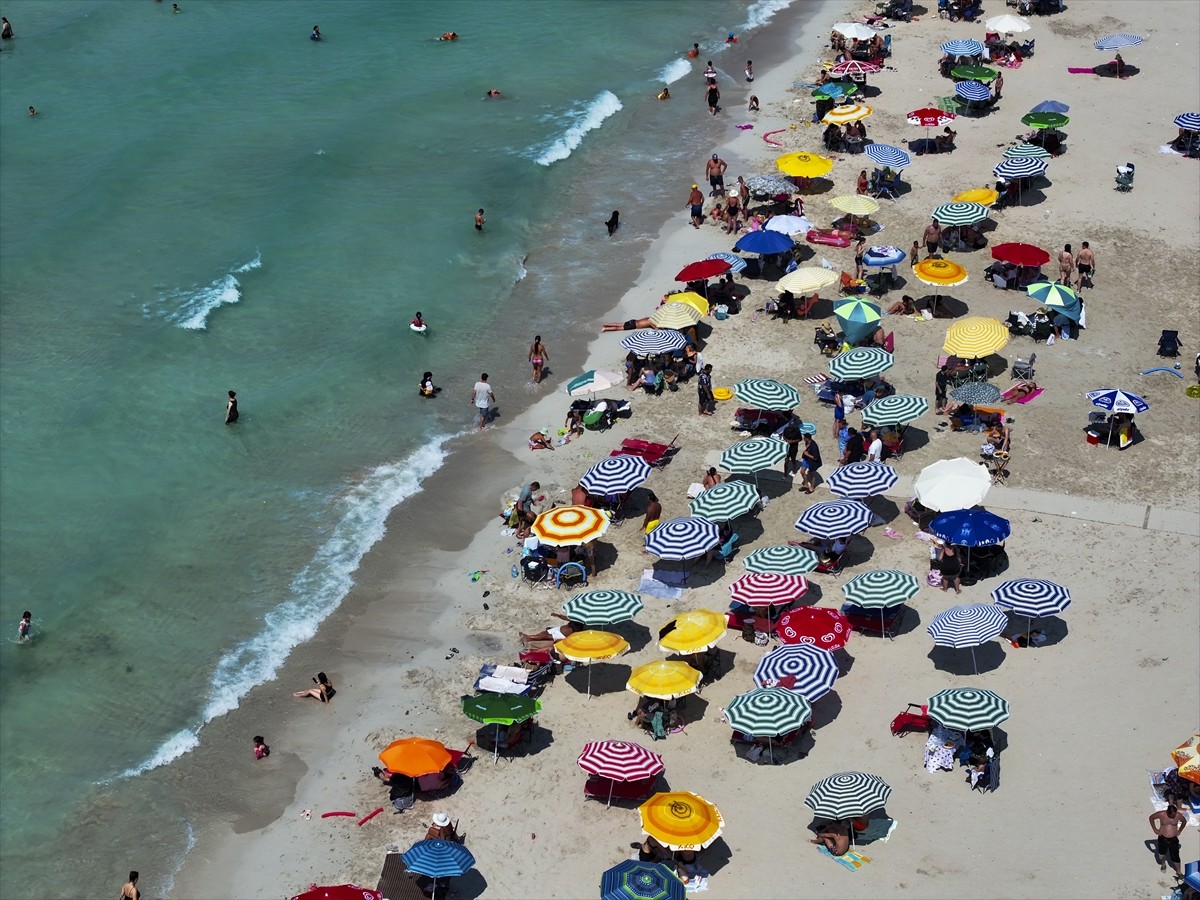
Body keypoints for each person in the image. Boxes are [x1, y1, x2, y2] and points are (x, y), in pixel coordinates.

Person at [1149, 805, 1187, 875]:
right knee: (1161, 853)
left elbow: (1184, 821)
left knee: (1176, 856)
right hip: (1162, 837)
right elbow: (1151, 817)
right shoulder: (1161, 814)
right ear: (1168, 812)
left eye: (1174, 814)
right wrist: (1154, 829)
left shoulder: (1178, 815)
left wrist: (1180, 830)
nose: (1174, 816)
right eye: (1172, 815)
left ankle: (1179, 872)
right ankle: (1163, 864)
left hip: (1173, 839)